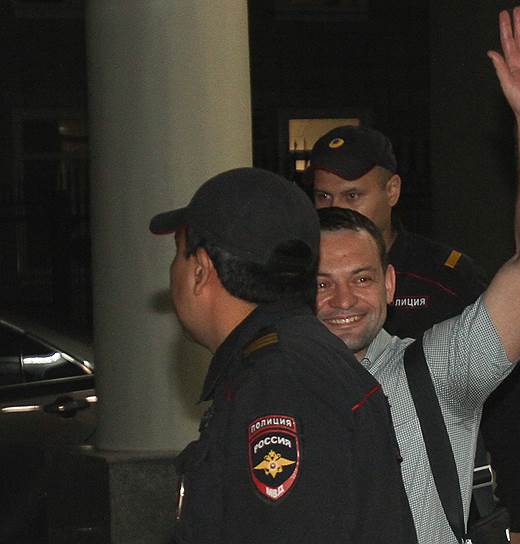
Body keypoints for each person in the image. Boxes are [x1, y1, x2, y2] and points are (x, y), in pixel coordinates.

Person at [314, 7, 520, 542]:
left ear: (390, 282)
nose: (343, 298)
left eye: (362, 279)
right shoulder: (275, 378)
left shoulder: (435, 371)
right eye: (321, 282)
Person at [149, 167, 416, 543]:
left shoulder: (279, 382)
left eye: (179, 255)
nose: (172, 273)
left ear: (200, 270)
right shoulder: (291, 360)